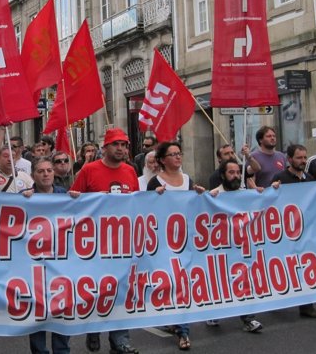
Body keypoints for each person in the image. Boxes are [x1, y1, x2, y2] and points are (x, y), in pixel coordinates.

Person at [70, 128, 138, 354]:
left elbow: (137, 206)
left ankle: (120, 340)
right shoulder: (89, 170)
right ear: (105, 147)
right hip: (94, 244)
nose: (121, 149)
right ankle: (94, 328)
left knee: (120, 291)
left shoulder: (130, 171)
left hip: (121, 245)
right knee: (97, 291)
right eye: (116, 144)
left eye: (124, 145)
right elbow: (73, 202)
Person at [146, 141, 209, 350]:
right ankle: (170, 316)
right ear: (163, 160)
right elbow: (146, 210)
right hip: (163, 241)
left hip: (184, 240)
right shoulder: (155, 181)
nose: (178, 157)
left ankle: (184, 331)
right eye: (172, 154)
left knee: (182, 282)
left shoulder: (188, 180)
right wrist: (155, 196)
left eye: (179, 153)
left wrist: (201, 195)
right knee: (168, 282)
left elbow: (195, 208)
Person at [206, 159, 265, 332]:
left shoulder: (245, 193)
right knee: (219, 279)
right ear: (223, 175)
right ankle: (213, 312)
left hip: (241, 247)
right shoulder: (215, 194)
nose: (236, 176)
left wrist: (263, 194)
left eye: (238, 172)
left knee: (244, 280)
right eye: (231, 173)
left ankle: (248, 319)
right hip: (221, 247)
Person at [21, 157, 70, 354]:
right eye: (41, 171)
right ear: (34, 175)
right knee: (38, 311)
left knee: (61, 309)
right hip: (35, 264)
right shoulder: (24, 196)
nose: (46, 174)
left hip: (60, 262)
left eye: (49, 170)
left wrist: (77, 200)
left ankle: (62, 350)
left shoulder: (64, 194)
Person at [270, 144, 316, 319]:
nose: (302, 161)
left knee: (306, 265)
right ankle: (279, 295)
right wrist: (273, 189)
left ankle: (307, 305)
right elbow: (269, 201)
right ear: (290, 159)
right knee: (286, 265)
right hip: (286, 231)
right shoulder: (281, 178)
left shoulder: (310, 178)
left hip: (305, 231)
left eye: (304, 157)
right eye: (299, 158)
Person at [0, 128, 34, 193]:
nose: (10, 159)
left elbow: (34, 192)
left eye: (13, 157)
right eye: (6, 156)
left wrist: (30, 193)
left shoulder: (24, 176)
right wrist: (2, 129)